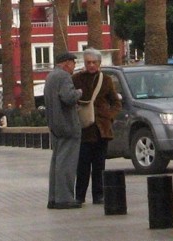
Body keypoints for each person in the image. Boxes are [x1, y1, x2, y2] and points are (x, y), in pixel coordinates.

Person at [72, 48, 122, 205]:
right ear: (84, 63)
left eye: (94, 62)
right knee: (83, 166)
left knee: (99, 165)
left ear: (99, 63)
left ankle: (98, 195)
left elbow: (116, 102)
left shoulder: (106, 80)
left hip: (101, 129)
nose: (91, 65)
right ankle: (79, 196)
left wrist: (109, 117)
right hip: (84, 128)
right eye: (88, 62)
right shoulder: (76, 79)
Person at [44, 52, 83, 209]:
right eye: (73, 63)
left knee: (57, 163)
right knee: (67, 163)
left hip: (55, 126)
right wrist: (79, 92)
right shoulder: (64, 77)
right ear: (67, 63)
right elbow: (68, 97)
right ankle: (65, 198)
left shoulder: (50, 77)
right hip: (68, 125)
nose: (74, 66)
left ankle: (53, 197)